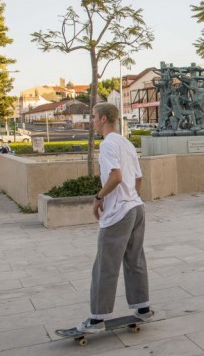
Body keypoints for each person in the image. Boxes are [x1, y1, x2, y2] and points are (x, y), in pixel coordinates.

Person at [73, 102, 152, 334]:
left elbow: (116, 176)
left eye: (94, 116)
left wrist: (99, 197)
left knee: (105, 265)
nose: (92, 121)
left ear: (104, 119)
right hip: (137, 209)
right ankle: (143, 307)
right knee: (135, 260)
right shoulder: (126, 143)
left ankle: (97, 319)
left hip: (119, 213)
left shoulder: (108, 145)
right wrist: (131, 198)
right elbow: (138, 178)